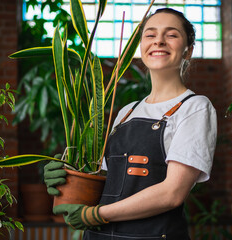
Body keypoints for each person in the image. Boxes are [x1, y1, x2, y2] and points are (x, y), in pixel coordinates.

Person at [44, 8, 217, 240]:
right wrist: (67, 178)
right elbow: (105, 181)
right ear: (141, 47)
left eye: (172, 35)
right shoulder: (127, 111)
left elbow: (172, 193)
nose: (159, 41)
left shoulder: (194, 107)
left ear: (188, 51)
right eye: (150, 34)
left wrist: (96, 215)